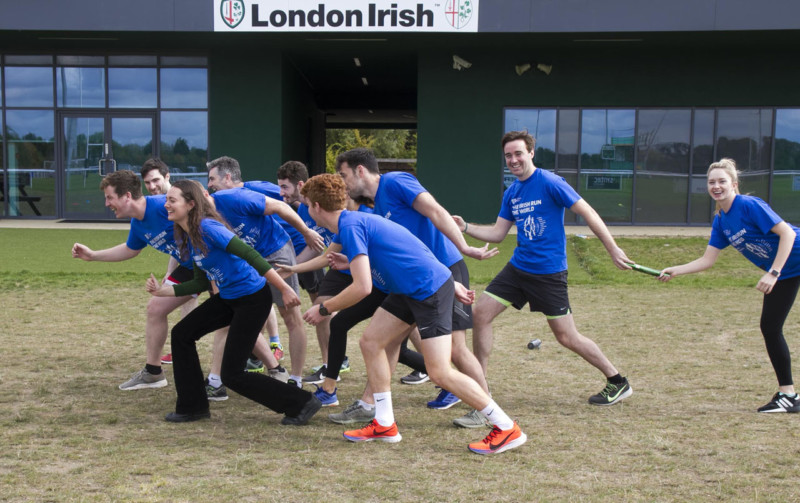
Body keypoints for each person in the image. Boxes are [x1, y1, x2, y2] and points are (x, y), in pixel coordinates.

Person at [300, 173, 526, 455]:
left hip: (427, 291)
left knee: (440, 372)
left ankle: (506, 427)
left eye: (307, 205)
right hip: (409, 289)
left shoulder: (351, 225)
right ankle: (384, 423)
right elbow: (406, 248)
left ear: (316, 207)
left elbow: (362, 287)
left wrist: (324, 308)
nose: (307, 211)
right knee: (371, 342)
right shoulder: (351, 222)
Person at [454, 130, 633, 406]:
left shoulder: (550, 182)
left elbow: (588, 212)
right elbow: (498, 233)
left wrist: (613, 249)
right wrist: (465, 227)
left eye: (518, 153)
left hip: (548, 273)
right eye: (508, 156)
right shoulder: (512, 193)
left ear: (531, 153)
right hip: (518, 268)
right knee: (480, 314)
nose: (513, 160)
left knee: (566, 336)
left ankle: (617, 381)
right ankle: (481, 388)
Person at [334, 147, 497, 428]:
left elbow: (435, 210)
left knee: (455, 349)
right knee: (385, 341)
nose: (343, 182)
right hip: (412, 280)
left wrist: (464, 246)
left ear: (360, 170)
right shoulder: (375, 206)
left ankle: (487, 407)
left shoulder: (395, 181)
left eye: (344, 175)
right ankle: (369, 405)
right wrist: (349, 262)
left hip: (444, 269)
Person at [145, 179, 321, 424]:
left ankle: (302, 402)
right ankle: (192, 407)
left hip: (253, 300)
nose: (166, 205)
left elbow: (251, 255)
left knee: (232, 374)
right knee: (182, 334)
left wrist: (284, 288)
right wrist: (162, 292)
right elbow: (200, 283)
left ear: (191, 204)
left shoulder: (208, 228)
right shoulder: (189, 235)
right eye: (167, 200)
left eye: (172, 200)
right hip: (229, 299)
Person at [658, 158, 800, 413]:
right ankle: (788, 396)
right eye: (711, 182)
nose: (716, 186)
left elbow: (787, 233)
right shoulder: (721, 221)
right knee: (770, 327)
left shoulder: (748, 205)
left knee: (770, 327)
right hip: (788, 272)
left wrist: (773, 272)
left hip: (786, 266)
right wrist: (676, 270)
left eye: (722, 181)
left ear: (734, 184)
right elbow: (707, 260)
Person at [72, 169, 197, 391]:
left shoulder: (162, 206)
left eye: (110, 197)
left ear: (127, 196)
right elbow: (130, 249)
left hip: (215, 263)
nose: (107, 204)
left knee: (233, 315)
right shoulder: (138, 224)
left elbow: (206, 215)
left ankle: (256, 366)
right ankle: (153, 373)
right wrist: (92, 256)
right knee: (155, 308)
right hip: (190, 268)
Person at [207, 156, 325, 386]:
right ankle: (266, 366)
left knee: (290, 315)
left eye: (212, 179)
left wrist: (307, 231)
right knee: (246, 314)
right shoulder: (207, 213)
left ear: (227, 177)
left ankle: (296, 379)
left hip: (276, 252)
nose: (209, 185)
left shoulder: (239, 195)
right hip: (249, 259)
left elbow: (283, 204)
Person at [275, 161, 348, 383]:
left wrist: (293, 267)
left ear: (300, 185)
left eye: (285, 187)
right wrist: (292, 268)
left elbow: (322, 248)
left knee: (394, 314)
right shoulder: (302, 209)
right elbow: (318, 248)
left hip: (354, 262)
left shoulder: (326, 206)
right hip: (333, 263)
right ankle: (330, 365)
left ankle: (333, 364)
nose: (281, 193)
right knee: (322, 308)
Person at [140, 158, 197, 365]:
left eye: (156, 180)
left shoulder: (182, 200)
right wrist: (170, 271)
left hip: (211, 262)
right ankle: (183, 348)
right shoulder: (160, 206)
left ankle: (272, 344)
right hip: (189, 266)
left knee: (240, 305)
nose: (152, 186)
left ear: (167, 176)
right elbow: (177, 245)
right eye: (147, 183)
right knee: (160, 305)